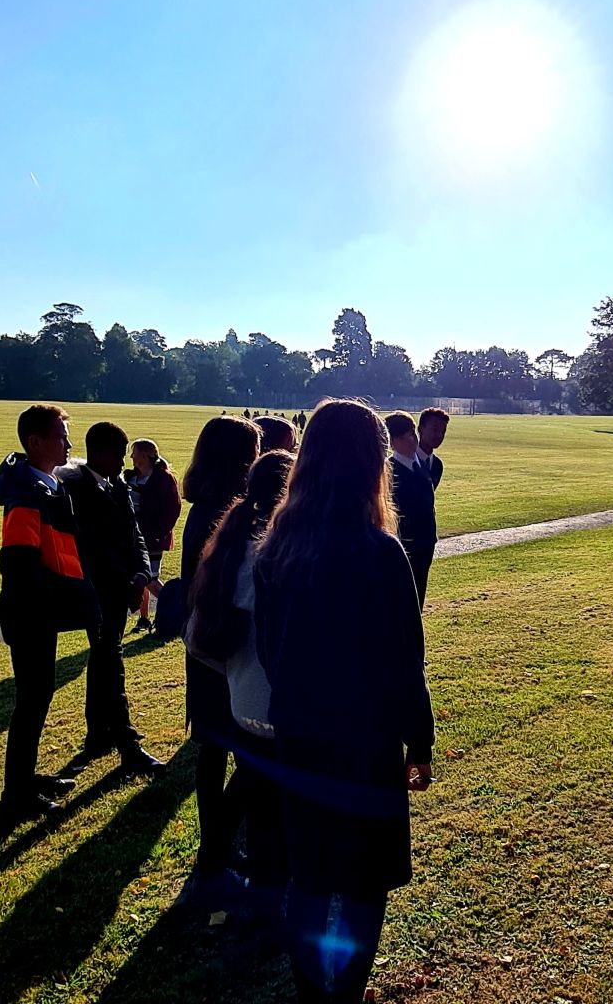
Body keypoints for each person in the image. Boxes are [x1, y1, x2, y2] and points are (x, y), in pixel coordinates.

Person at [255, 399, 434, 1004]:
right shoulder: (379, 552)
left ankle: (314, 988)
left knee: (310, 869)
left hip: (300, 731)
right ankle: (346, 988)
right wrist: (420, 740)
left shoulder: (276, 547)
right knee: (362, 875)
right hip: (364, 740)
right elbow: (404, 660)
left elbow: (270, 649)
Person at [186, 448, 295, 919]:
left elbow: (203, 635)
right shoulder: (268, 550)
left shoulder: (235, 537)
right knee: (260, 791)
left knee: (255, 787)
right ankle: (235, 881)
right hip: (267, 697)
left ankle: (226, 873)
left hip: (242, 689)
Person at [0, 404, 99, 820]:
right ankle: (18, 793)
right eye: (60, 436)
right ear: (35, 442)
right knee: (31, 703)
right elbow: (19, 564)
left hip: (42, 613)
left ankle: (27, 777)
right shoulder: (25, 495)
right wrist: (46, 608)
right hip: (30, 616)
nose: (69, 444)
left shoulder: (46, 485)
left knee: (38, 700)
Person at [181, 414, 262, 882]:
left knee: (214, 746)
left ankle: (219, 842)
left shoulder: (207, 505)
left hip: (207, 640)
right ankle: (217, 846)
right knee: (222, 746)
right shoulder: (223, 512)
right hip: (221, 643)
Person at [58, 422, 165, 775]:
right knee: (111, 662)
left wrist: (142, 571)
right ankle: (127, 744)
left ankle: (98, 733)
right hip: (99, 593)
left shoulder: (115, 484)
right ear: (101, 452)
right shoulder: (75, 489)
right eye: (119, 455)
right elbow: (91, 548)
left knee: (104, 659)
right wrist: (128, 578)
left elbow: (133, 532)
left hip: (121, 589)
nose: (124, 463)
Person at [125, 438, 182, 633]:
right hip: (134, 536)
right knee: (141, 575)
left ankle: (176, 610)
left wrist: (160, 532)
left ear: (144, 455)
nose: (131, 456)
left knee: (150, 578)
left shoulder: (162, 478)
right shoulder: (130, 477)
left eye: (134, 452)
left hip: (153, 537)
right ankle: (143, 619)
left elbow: (173, 508)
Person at [385, 411, 437, 610]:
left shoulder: (422, 464)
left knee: (419, 594)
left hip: (426, 542)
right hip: (405, 545)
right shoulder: (389, 470)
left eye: (413, 432)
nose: (413, 439)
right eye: (406, 435)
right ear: (394, 441)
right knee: (403, 598)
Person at [417, 407, 449, 490]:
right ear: (421, 429)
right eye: (435, 430)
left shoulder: (437, 465)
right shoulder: (405, 462)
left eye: (443, 432)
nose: (439, 435)